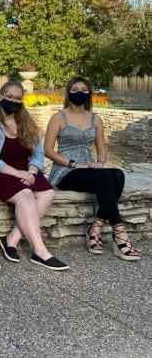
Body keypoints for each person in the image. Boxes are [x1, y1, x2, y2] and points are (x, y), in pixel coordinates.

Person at [0, 79, 69, 271]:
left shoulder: (27, 121)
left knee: (47, 193)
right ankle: (40, 251)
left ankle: (12, 238)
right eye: (9, 97)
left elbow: (38, 153)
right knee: (26, 194)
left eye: (18, 98)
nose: (13, 101)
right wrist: (17, 173)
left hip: (25, 170)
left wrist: (31, 171)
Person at [44, 76, 140, 260]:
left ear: (89, 94)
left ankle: (95, 228)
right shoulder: (58, 117)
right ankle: (120, 234)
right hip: (65, 170)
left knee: (117, 174)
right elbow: (47, 150)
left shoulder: (96, 119)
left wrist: (100, 162)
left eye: (83, 89)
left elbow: (102, 151)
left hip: (90, 169)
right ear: (68, 93)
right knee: (104, 178)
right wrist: (73, 163)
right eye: (75, 89)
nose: (79, 92)